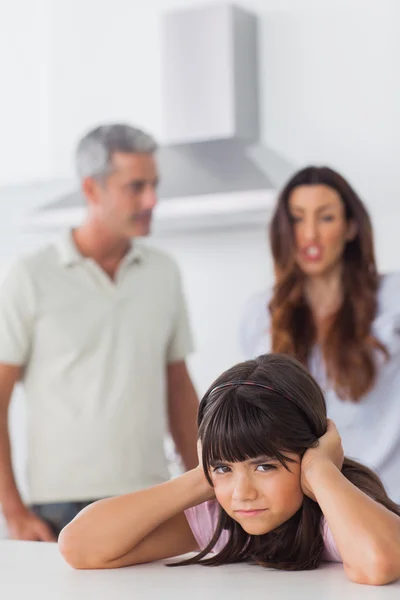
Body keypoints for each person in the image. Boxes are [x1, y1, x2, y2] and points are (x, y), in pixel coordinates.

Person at [0, 123, 199, 541]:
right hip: (59, 507)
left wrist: (205, 484)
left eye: (154, 185)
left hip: (152, 497)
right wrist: (13, 511)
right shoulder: (31, 277)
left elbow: (179, 390)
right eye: (136, 187)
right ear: (92, 191)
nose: (152, 200)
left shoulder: (163, 272)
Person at [58, 354, 400, 585]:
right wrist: (201, 476)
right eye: (224, 467)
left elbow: (378, 563)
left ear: (310, 450)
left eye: (264, 466)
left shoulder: (334, 514)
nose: (242, 493)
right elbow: (79, 546)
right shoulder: (219, 519)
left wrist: (321, 471)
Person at [240, 166, 400, 503]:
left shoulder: (393, 298)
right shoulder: (261, 314)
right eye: (297, 219)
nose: (310, 234)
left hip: (390, 498)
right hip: (313, 508)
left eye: (325, 218)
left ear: (351, 227)